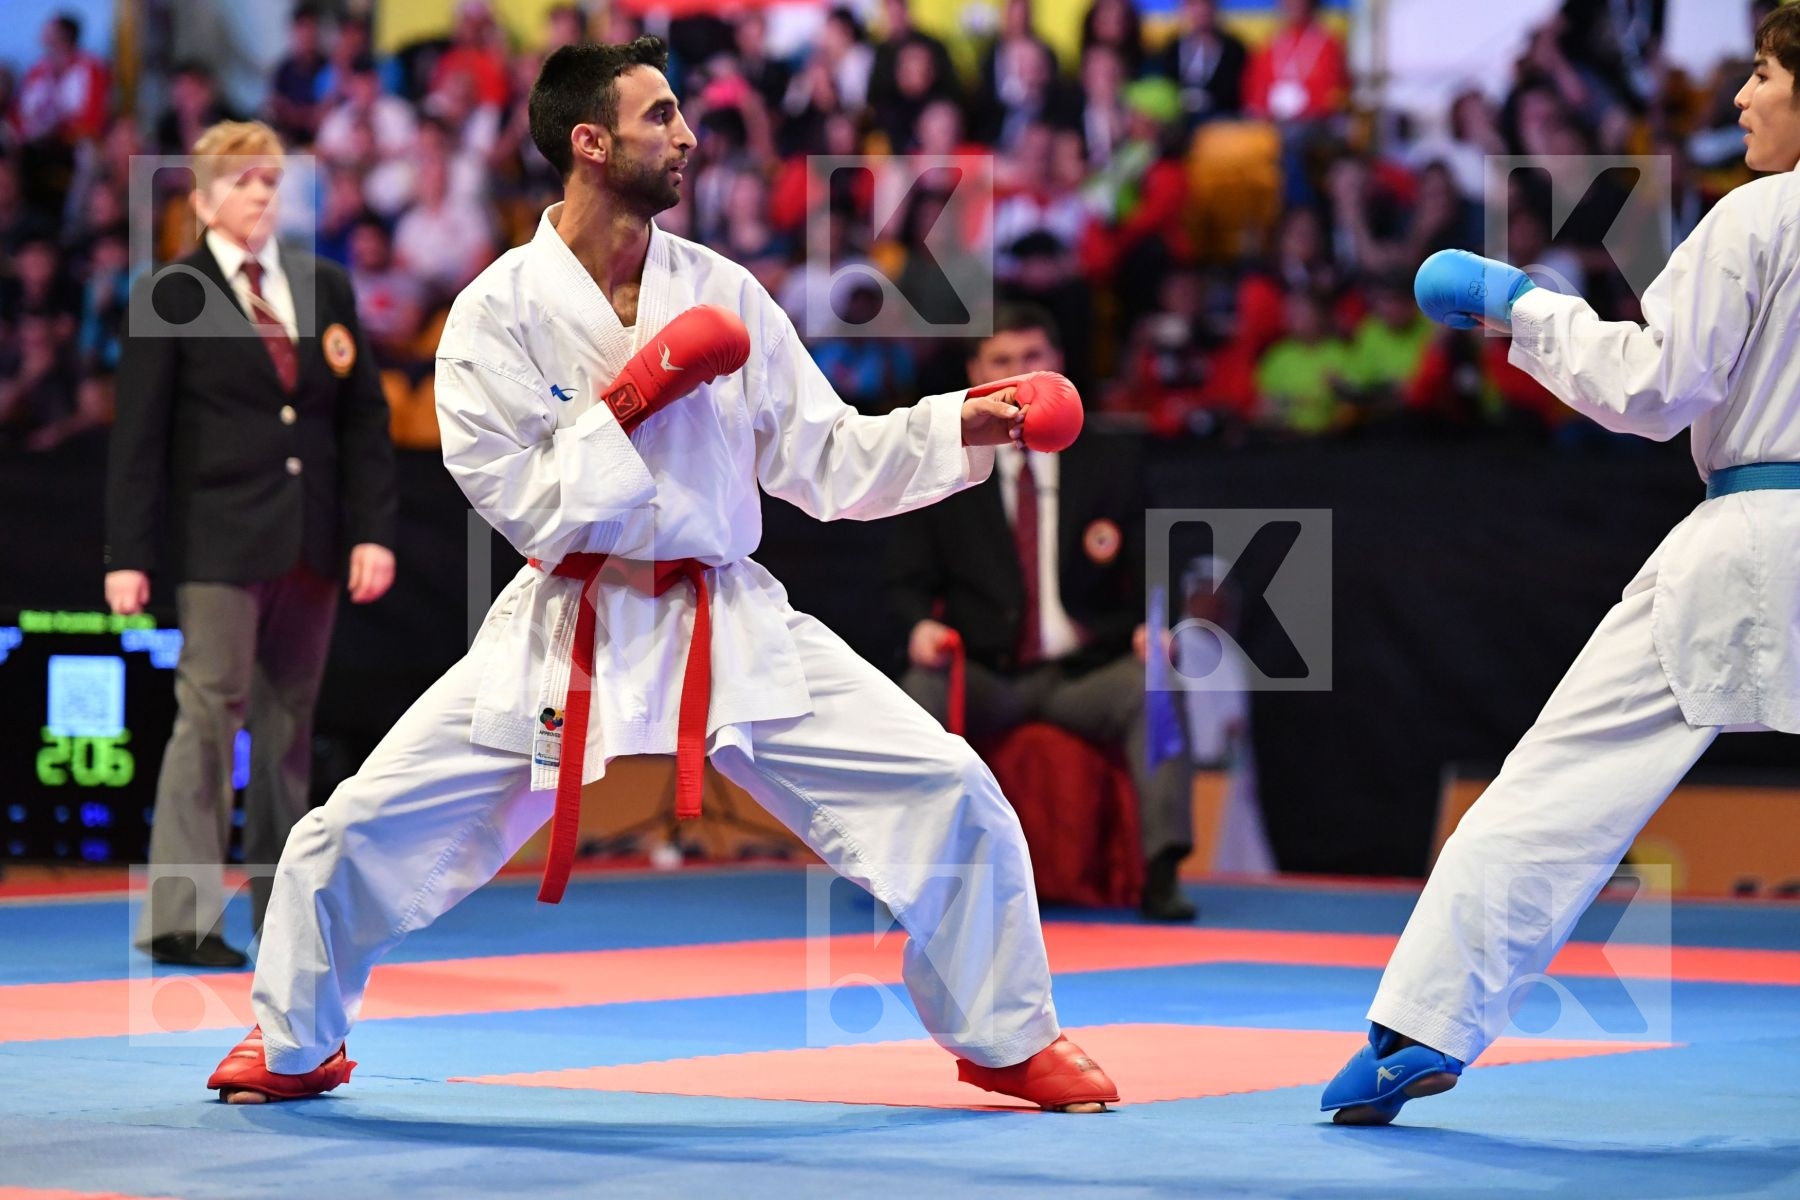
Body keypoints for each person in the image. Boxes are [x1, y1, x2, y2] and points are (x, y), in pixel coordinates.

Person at [204, 38, 1119, 1115]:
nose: (687, 136)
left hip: (722, 613)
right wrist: (633, 398)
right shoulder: (492, 318)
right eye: (661, 115)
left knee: (951, 786)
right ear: (589, 142)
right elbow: (523, 504)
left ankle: (1008, 1034)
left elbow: (824, 458)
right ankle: (295, 1039)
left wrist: (964, 425)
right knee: (354, 831)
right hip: (567, 623)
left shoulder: (723, 288)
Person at [1322, 5, 1800, 1126]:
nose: (1740, 98)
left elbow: (1652, 389)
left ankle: (1418, 1032)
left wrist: (1522, 303)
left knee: (1559, 781)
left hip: (1752, 539)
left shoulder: (1761, 217)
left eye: (1767, 74)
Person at [105, 120, 398, 968]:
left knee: (289, 730)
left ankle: (283, 917)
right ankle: (180, 917)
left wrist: (372, 532)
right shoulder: (172, 292)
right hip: (218, 541)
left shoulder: (323, 286)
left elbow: (364, 423)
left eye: (270, 180)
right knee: (207, 715)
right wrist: (128, 552)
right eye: (241, 182)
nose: (261, 194)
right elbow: (139, 437)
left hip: (309, 537)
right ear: (200, 200)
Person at [887, 302, 1198, 922]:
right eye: (1002, 362)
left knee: (1155, 684)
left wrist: (1155, 624)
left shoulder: (1109, 459)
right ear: (977, 374)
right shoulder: (946, 462)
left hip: (1084, 673)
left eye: (1032, 358)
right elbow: (903, 578)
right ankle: (910, 878)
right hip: (985, 672)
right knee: (916, 691)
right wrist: (919, 623)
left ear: (1057, 365)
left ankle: (1161, 869)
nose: (1019, 375)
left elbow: (1156, 559)